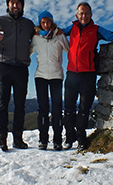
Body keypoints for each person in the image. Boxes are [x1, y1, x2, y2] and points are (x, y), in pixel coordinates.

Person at [62, 2, 113, 151]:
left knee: (84, 108)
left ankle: (81, 139)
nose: (83, 16)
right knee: (69, 109)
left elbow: (112, 36)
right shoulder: (71, 28)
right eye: (81, 13)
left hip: (88, 75)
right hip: (71, 74)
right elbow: (56, 32)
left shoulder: (96, 30)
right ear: (76, 15)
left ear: (91, 15)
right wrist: (41, 31)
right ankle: (69, 137)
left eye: (86, 13)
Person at [0, 0, 35, 151]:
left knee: (20, 105)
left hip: (21, 68)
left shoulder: (28, 24)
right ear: (8, 5)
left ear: (22, 5)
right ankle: (1, 139)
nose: (15, 5)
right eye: (12, 2)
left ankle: (18, 139)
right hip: (4, 66)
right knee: (2, 104)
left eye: (18, 2)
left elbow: (40, 37)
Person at [30, 10, 69, 151]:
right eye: (43, 22)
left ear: (52, 22)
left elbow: (70, 50)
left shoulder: (59, 36)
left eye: (48, 21)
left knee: (57, 110)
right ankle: (43, 140)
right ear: (40, 23)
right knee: (43, 109)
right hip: (40, 76)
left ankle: (57, 140)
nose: (46, 24)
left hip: (56, 76)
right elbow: (27, 53)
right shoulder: (35, 38)